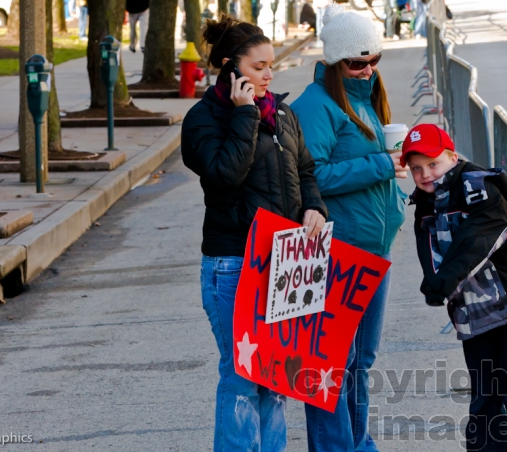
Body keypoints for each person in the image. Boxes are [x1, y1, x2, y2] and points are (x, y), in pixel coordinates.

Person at [181, 14, 328, 452]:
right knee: (243, 375)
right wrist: (245, 115)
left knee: (276, 377)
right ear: (230, 67)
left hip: (283, 263)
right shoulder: (203, 120)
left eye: (271, 66)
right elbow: (225, 176)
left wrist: (315, 208)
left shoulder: (282, 112)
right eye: (259, 66)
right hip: (234, 265)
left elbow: (304, 170)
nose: (269, 74)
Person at [291, 5, 407, 452]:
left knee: (361, 361)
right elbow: (312, 175)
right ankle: (337, 447)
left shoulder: (365, 96)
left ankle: (359, 444)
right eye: (357, 63)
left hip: (373, 252)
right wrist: (380, 164)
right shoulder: (315, 106)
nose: (367, 70)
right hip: (339, 251)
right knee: (332, 362)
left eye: (374, 60)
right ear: (336, 62)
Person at [402, 124, 507, 452]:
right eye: (416, 168)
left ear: (453, 157)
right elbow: (430, 253)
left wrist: (442, 282)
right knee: (485, 396)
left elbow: (477, 239)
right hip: (473, 310)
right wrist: (435, 282)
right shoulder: (424, 201)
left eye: (433, 164)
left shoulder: (479, 186)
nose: (425, 174)